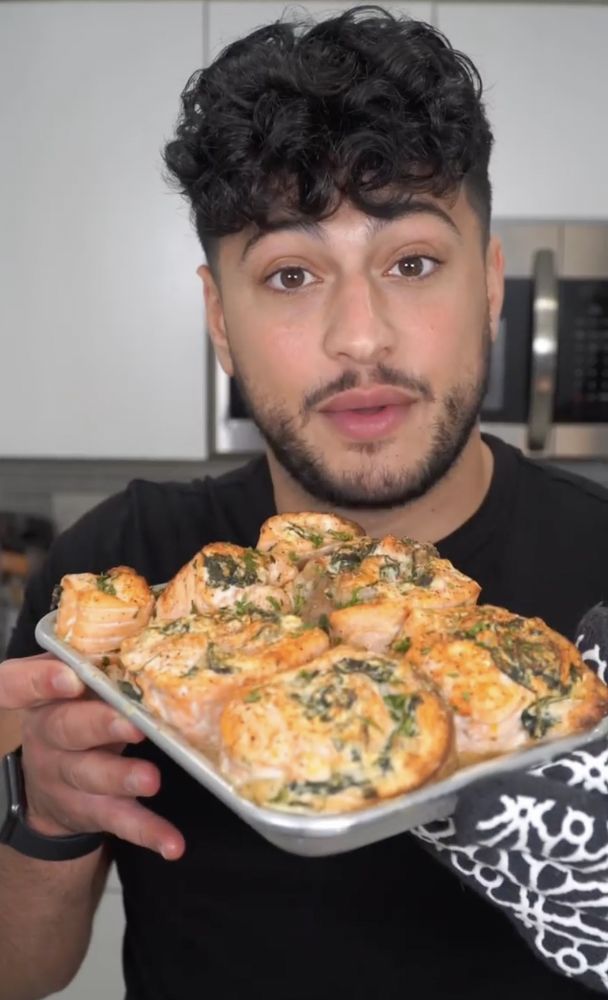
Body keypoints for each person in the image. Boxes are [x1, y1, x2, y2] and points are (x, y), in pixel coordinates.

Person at [1, 6, 608, 998]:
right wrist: (51, 817)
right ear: (219, 321)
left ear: (491, 287)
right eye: (289, 274)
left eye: (410, 263)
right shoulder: (120, 578)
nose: (358, 338)